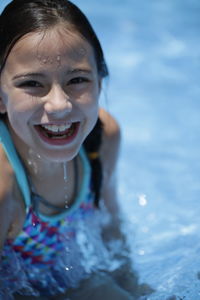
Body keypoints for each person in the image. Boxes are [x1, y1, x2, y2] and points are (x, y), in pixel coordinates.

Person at [0, 1, 152, 299]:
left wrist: (135, 290)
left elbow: (111, 228)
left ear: (100, 81)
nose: (60, 105)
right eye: (32, 83)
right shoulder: (4, 189)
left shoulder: (102, 138)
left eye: (77, 80)